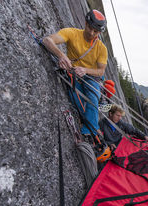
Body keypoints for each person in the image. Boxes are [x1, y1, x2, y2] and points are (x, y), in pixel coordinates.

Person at [43, 9, 108, 137]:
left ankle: (89, 131)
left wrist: (85, 70)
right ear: (85, 23)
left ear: (99, 32)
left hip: (91, 77)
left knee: (93, 95)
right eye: (90, 28)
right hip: (72, 72)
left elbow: (101, 71)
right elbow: (47, 40)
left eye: (95, 31)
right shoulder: (72, 33)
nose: (91, 32)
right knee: (74, 96)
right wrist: (61, 55)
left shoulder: (101, 49)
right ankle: (93, 127)